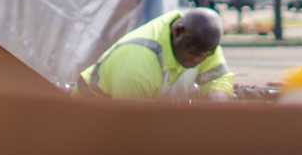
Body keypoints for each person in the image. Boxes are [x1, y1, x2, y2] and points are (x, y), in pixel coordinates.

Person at [79, 9, 236, 99]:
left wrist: (217, 98)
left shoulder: (201, 41)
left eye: (205, 54)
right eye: (193, 52)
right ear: (177, 32)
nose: (198, 59)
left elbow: (218, 77)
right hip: (92, 114)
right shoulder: (137, 63)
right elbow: (130, 125)